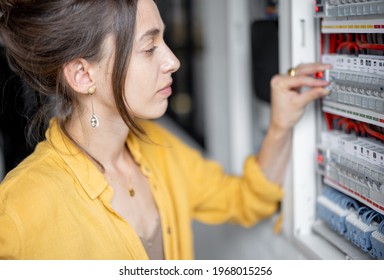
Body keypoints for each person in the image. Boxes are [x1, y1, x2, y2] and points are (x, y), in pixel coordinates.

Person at [0, 0, 330, 260]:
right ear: (84, 76)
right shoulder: (19, 209)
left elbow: (246, 199)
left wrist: (280, 123)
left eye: (164, 40)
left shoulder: (159, 147)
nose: (173, 61)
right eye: (149, 48)